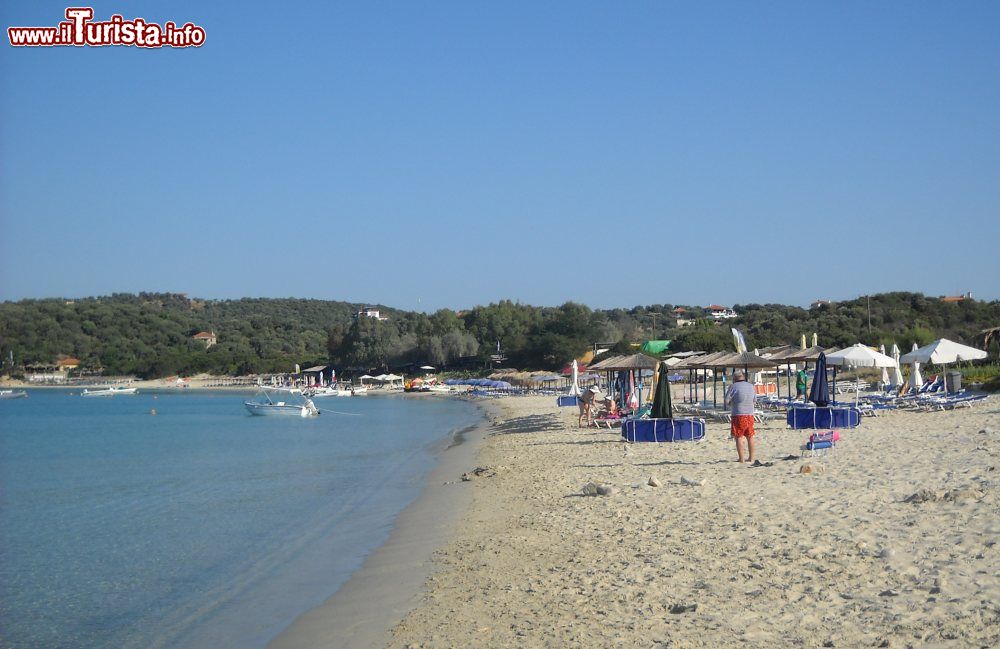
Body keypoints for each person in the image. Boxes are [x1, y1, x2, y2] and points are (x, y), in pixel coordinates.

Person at [725, 371, 757, 463]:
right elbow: (754, 400)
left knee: (739, 436)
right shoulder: (751, 386)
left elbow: (727, 401)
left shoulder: (733, 386)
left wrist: (732, 403)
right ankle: (751, 457)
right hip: (750, 414)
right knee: (750, 436)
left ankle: (741, 458)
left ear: (734, 378)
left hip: (738, 414)